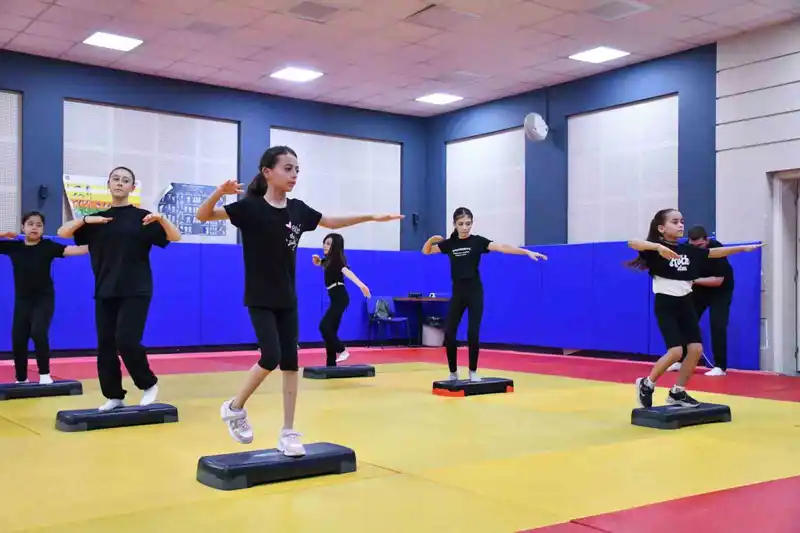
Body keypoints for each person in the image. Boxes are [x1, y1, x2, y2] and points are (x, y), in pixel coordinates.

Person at [195, 145, 402, 455]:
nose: (294, 175)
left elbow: (330, 221)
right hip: (260, 296)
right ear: (268, 172)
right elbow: (203, 215)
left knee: (291, 363)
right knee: (271, 356)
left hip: (287, 298)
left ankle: (288, 432)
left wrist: (371, 216)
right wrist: (218, 193)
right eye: (287, 169)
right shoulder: (250, 208)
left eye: (297, 170)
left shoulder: (298, 210)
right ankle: (234, 407)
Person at [57, 166, 182, 411]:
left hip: (136, 288)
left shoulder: (143, 218)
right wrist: (85, 219)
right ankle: (114, 396)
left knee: (126, 340)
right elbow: (63, 233)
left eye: (125, 180)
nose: (120, 183)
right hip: (105, 288)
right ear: (109, 184)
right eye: (116, 179)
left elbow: (175, 237)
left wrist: (161, 219)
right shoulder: (96, 220)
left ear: (132, 187)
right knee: (105, 346)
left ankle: (148, 383)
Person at [627, 209, 761, 408]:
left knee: (696, 349)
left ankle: (678, 392)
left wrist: (742, 248)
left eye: (682, 221)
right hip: (666, 304)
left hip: (685, 303)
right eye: (675, 222)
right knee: (675, 352)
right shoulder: (655, 249)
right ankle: (647, 384)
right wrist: (658, 247)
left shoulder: (687, 249)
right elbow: (633, 243)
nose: (680, 225)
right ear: (661, 228)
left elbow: (713, 253)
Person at [422, 207, 547, 382]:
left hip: (474, 292)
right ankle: (453, 372)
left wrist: (526, 252)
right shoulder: (450, 244)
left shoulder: (477, 241)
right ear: (455, 224)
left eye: (468, 223)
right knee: (449, 333)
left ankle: (473, 371)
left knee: (473, 333)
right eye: (461, 224)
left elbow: (502, 247)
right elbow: (426, 251)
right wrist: (431, 240)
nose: (465, 227)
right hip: (458, 293)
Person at [0, 212, 88, 384]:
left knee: (38, 332)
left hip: (43, 299)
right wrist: (3, 234)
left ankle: (45, 374)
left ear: (43, 229)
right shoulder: (14, 247)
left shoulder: (47, 246)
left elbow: (74, 250)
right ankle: (21, 379)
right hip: (22, 300)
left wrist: (100, 244)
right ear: (22, 227)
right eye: (30, 224)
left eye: (39, 225)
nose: (34, 227)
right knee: (18, 338)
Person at [666, 226, 734, 376]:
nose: (697, 249)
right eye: (694, 246)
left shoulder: (717, 250)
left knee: (717, 324)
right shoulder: (686, 248)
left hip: (720, 290)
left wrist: (692, 280)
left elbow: (718, 280)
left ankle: (720, 367)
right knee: (686, 321)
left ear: (707, 240)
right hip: (700, 288)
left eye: (700, 245)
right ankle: (681, 360)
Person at [312, 233, 371, 366]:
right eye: (324, 243)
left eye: (328, 244)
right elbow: (323, 264)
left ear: (335, 246)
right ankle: (331, 363)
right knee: (331, 331)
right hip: (336, 298)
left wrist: (361, 285)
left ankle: (342, 350)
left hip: (340, 297)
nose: (325, 246)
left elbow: (347, 272)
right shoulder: (328, 261)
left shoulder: (337, 261)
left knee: (324, 326)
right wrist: (318, 262)